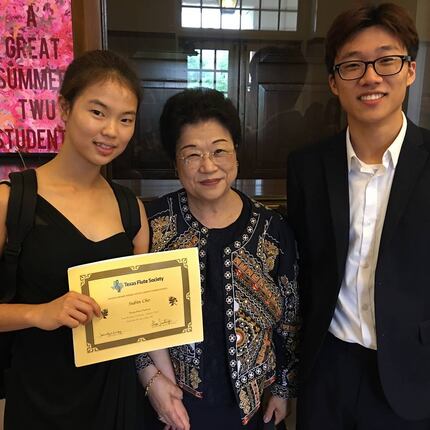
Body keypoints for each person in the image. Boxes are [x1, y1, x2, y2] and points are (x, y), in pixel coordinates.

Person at [0, 49, 186, 430]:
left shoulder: (130, 209)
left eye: (126, 119)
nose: (111, 131)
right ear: (65, 108)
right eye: (97, 112)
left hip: (117, 395)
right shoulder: (11, 201)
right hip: (41, 395)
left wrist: (163, 381)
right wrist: (39, 313)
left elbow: (142, 319)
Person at [287, 3, 430, 429]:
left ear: (410, 70)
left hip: (412, 372)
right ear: (333, 81)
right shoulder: (307, 167)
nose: (370, 77)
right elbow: (304, 268)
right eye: (352, 65)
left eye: (386, 60)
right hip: (325, 366)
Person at [136, 88, 300, 429]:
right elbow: (130, 315)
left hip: (255, 407)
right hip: (175, 405)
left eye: (219, 151)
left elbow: (291, 318)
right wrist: (150, 379)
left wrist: (284, 388)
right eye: (192, 154)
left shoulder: (273, 228)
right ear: (174, 163)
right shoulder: (153, 225)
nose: (208, 166)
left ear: (236, 153)